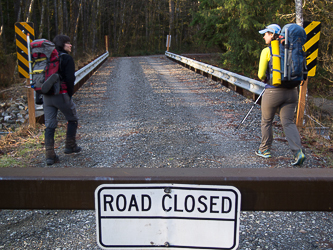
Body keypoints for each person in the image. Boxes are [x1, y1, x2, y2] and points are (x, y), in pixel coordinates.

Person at [255, 24, 306, 166]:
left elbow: (260, 75)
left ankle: (264, 149)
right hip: (292, 92)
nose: (264, 36)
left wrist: (266, 79)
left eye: (266, 33)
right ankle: (298, 152)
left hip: (273, 92)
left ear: (272, 35)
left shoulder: (267, 50)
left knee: (267, 121)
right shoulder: (296, 50)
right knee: (288, 122)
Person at [43, 35, 81, 165]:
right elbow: (70, 79)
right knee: (72, 119)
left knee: (50, 125)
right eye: (68, 43)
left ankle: (50, 156)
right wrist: (69, 94)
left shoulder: (47, 58)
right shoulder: (66, 58)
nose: (70, 45)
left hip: (46, 96)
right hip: (61, 94)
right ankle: (70, 146)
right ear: (62, 45)